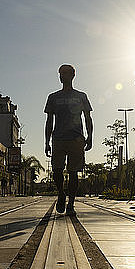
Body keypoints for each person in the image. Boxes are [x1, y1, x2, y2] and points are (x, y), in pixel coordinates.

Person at [45, 64, 93, 216]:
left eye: (65, 73)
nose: (62, 76)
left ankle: (71, 203)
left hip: (76, 139)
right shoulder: (53, 97)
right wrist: (46, 141)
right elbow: (49, 120)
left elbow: (87, 117)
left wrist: (90, 136)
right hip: (58, 138)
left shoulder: (81, 96)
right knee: (57, 170)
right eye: (60, 73)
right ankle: (61, 193)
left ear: (73, 75)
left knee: (73, 172)